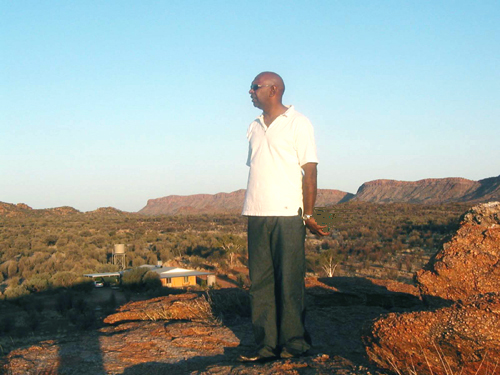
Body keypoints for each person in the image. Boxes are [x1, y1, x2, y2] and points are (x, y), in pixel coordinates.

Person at [239, 72, 329, 362]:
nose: (250, 91)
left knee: (289, 281)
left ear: (273, 90)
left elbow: (310, 170)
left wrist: (310, 213)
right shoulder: (253, 127)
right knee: (260, 283)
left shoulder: (298, 123)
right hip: (257, 212)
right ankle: (266, 347)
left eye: (255, 87)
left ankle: (295, 345)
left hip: (289, 214)